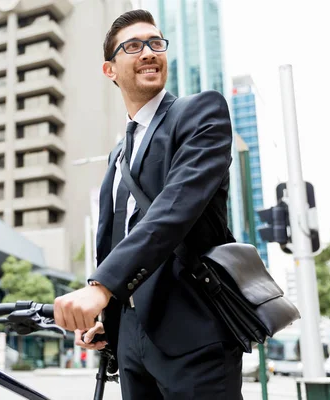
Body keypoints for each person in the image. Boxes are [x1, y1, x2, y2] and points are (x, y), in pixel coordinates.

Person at [53, 9, 243, 399]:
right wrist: (110, 315)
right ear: (110, 70)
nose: (148, 52)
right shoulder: (117, 155)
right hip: (130, 339)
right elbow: (113, 238)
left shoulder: (200, 113)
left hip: (194, 333)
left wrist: (102, 286)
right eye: (133, 46)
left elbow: (175, 209)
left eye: (156, 43)